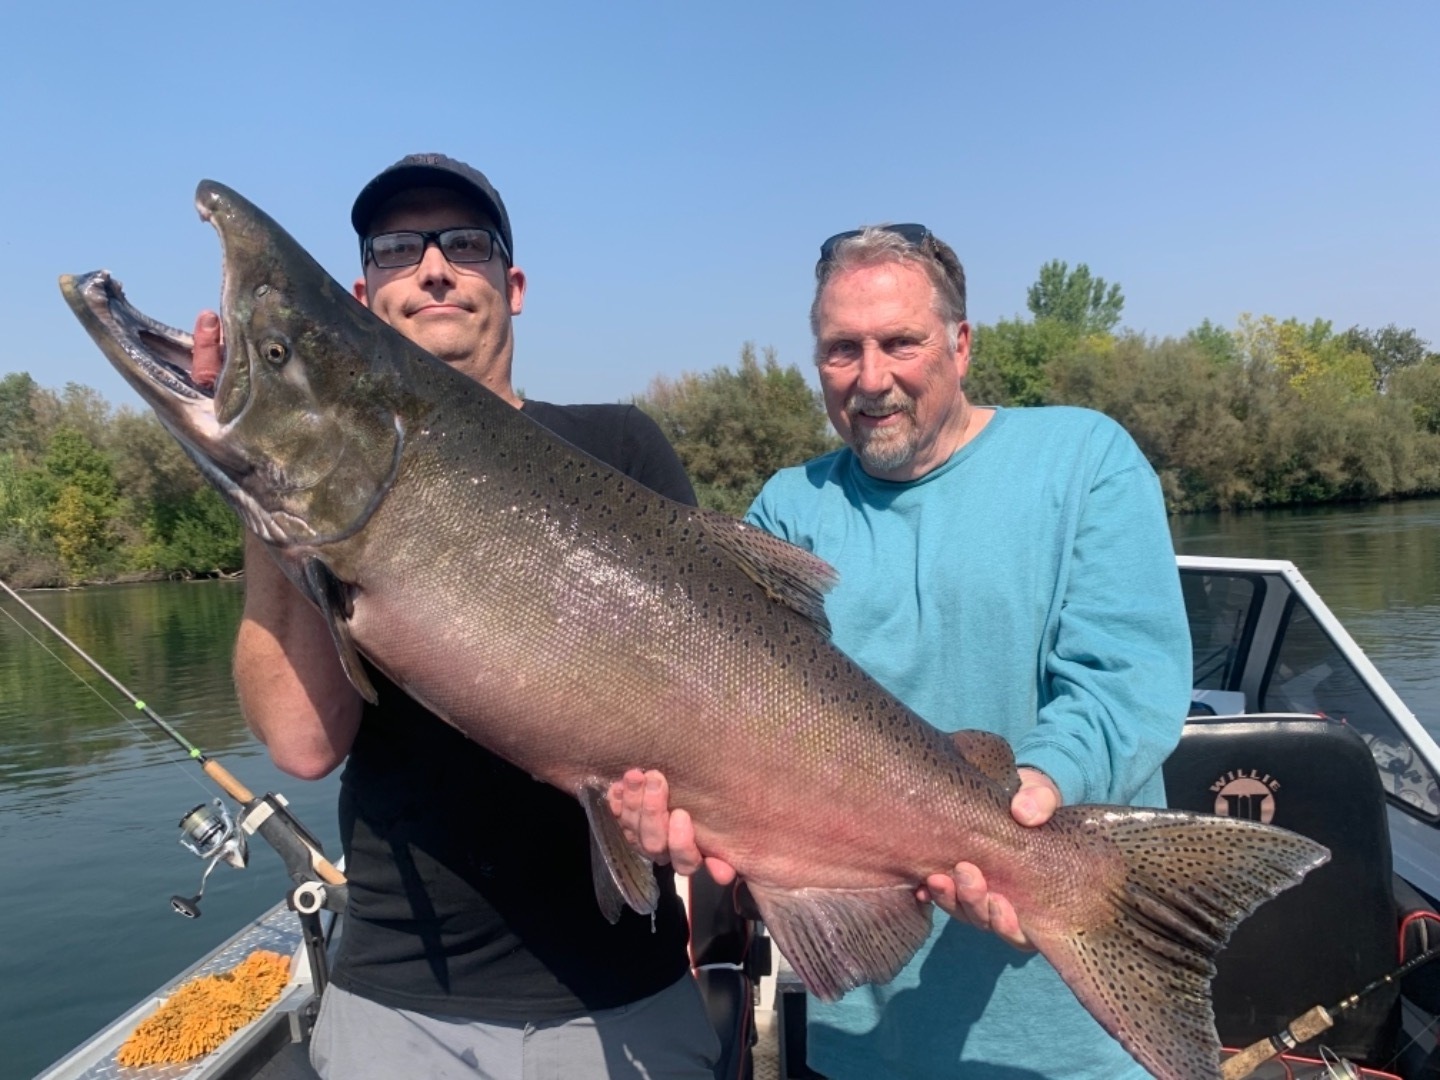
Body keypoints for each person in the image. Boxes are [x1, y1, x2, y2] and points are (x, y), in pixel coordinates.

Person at [612, 224, 1193, 1077]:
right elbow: (738, 725)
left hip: (1074, 1042)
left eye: (900, 343)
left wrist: (1036, 793)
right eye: (842, 350)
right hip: (862, 1039)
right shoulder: (784, 508)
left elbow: (1126, 679)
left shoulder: (1085, 458)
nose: (871, 378)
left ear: (960, 344)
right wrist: (668, 806)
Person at [193, 154, 722, 1079]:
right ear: (360, 299)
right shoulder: (334, 496)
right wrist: (260, 475)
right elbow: (304, 745)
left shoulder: (619, 444)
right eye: (398, 249)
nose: (433, 266)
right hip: (398, 1004)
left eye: (464, 244)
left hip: (625, 997)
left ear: (511, 286)